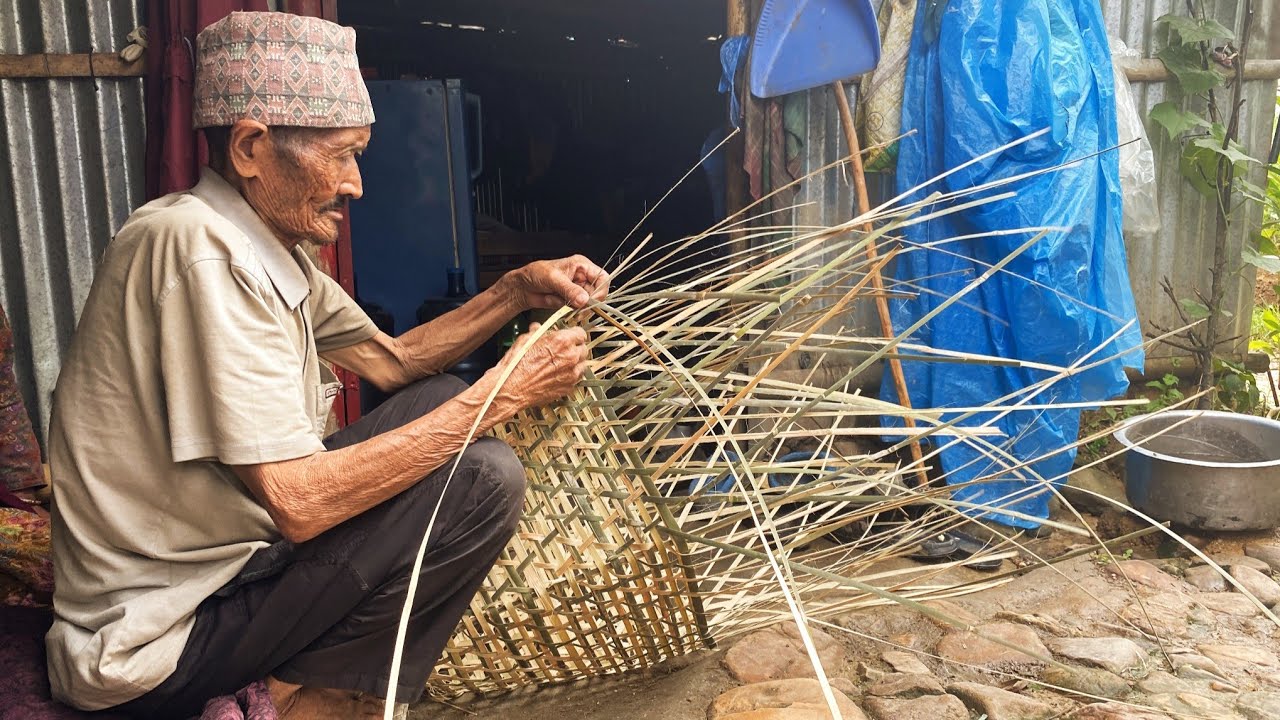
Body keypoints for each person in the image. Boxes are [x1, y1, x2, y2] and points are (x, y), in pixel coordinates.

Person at [45, 11, 608, 719]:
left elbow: (394, 361)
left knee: (436, 397)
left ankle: (315, 685)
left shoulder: (265, 245)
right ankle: (304, 699)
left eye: (358, 155)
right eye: (339, 155)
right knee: (485, 477)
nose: (355, 184)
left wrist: (514, 290)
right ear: (251, 147)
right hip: (158, 637)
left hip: (226, 570)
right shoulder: (201, 249)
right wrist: (502, 394)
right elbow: (299, 504)